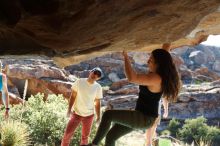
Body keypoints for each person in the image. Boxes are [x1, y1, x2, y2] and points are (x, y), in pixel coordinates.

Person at [89, 48, 181, 146]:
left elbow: (132, 78)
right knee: (111, 136)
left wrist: (125, 56)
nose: (147, 61)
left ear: (158, 63)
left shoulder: (156, 78)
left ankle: (94, 144)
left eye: (151, 59)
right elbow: (164, 52)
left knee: (108, 115)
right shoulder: (157, 76)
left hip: (144, 119)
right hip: (141, 117)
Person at [61, 67, 103, 146]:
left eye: (98, 75)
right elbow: (73, 96)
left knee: (85, 138)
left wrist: (98, 117)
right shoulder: (79, 82)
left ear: (98, 78)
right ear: (91, 72)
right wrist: (69, 110)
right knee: (67, 135)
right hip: (76, 114)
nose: (95, 75)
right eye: (95, 72)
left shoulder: (98, 87)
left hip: (89, 116)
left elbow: (97, 102)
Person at [145, 43, 171, 146]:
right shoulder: (158, 78)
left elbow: (165, 97)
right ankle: (148, 144)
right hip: (151, 110)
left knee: (152, 129)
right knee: (150, 129)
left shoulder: (160, 80)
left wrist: (166, 110)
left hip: (156, 110)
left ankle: (149, 143)